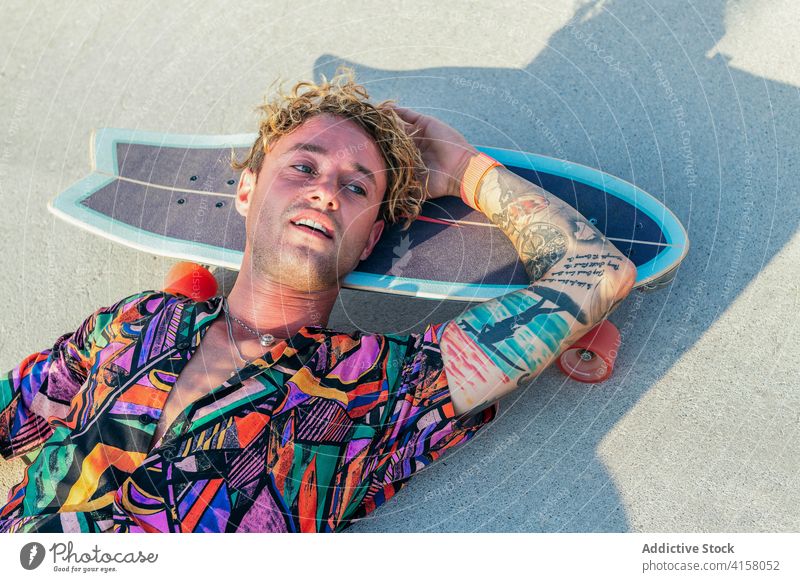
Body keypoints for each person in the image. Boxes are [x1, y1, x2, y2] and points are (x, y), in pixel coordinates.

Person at [0, 67, 635, 533]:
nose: (327, 191)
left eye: (357, 187)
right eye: (303, 168)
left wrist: (467, 169)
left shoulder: (377, 387)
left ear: (371, 240)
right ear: (247, 191)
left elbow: (597, 272)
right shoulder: (136, 322)